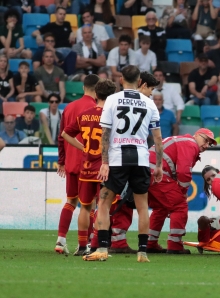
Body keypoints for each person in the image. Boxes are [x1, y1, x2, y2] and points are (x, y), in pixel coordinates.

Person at [83, 65, 163, 263]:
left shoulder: (111, 100)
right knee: (143, 206)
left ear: (120, 80)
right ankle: (142, 252)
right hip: (142, 159)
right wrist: (159, 165)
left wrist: (104, 162)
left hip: (118, 157)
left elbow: (106, 135)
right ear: (139, 82)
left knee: (103, 202)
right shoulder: (149, 103)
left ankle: (102, 248)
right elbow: (158, 139)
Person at [61, 78, 116, 256]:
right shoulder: (111, 115)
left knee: (85, 207)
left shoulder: (85, 114)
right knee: (103, 207)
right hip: (104, 168)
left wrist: (83, 147)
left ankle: (82, 246)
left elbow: (64, 134)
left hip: (86, 167)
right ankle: (100, 245)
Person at [146, 128, 216, 254]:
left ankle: (150, 243)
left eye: (209, 144)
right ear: (197, 135)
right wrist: (182, 192)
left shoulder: (182, 141)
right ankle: (174, 245)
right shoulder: (190, 143)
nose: (206, 145)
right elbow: (183, 172)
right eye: (206, 140)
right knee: (179, 206)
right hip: (157, 173)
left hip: (146, 171)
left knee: (161, 208)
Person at [55, 74, 99, 254]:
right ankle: (86, 243)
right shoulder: (96, 109)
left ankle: (60, 240)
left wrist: (61, 162)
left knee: (71, 202)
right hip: (88, 164)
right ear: (97, 89)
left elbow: (61, 135)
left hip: (71, 163)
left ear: (83, 88)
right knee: (89, 205)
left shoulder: (69, 107)